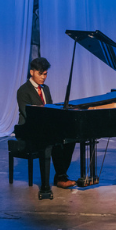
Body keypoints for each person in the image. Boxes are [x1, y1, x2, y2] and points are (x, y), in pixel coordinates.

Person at [16, 57, 77, 188]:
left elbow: (49, 109)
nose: (43, 77)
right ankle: (47, 185)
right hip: (28, 129)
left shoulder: (46, 88)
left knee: (70, 139)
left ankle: (60, 176)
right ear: (32, 72)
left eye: (45, 74)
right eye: (40, 74)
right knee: (52, 141)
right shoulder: (23, 91)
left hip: (45, 126)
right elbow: (28, 113)